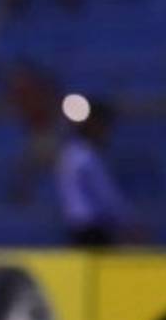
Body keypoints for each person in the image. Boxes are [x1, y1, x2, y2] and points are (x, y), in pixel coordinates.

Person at [54, 99, 133, 247]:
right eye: (104, 124)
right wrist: (127, 223)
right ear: (92, 124)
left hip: (80, 228)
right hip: (92, 230)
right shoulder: (85, 156)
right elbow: (105, 195)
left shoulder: (71, 153)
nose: (107, 130)